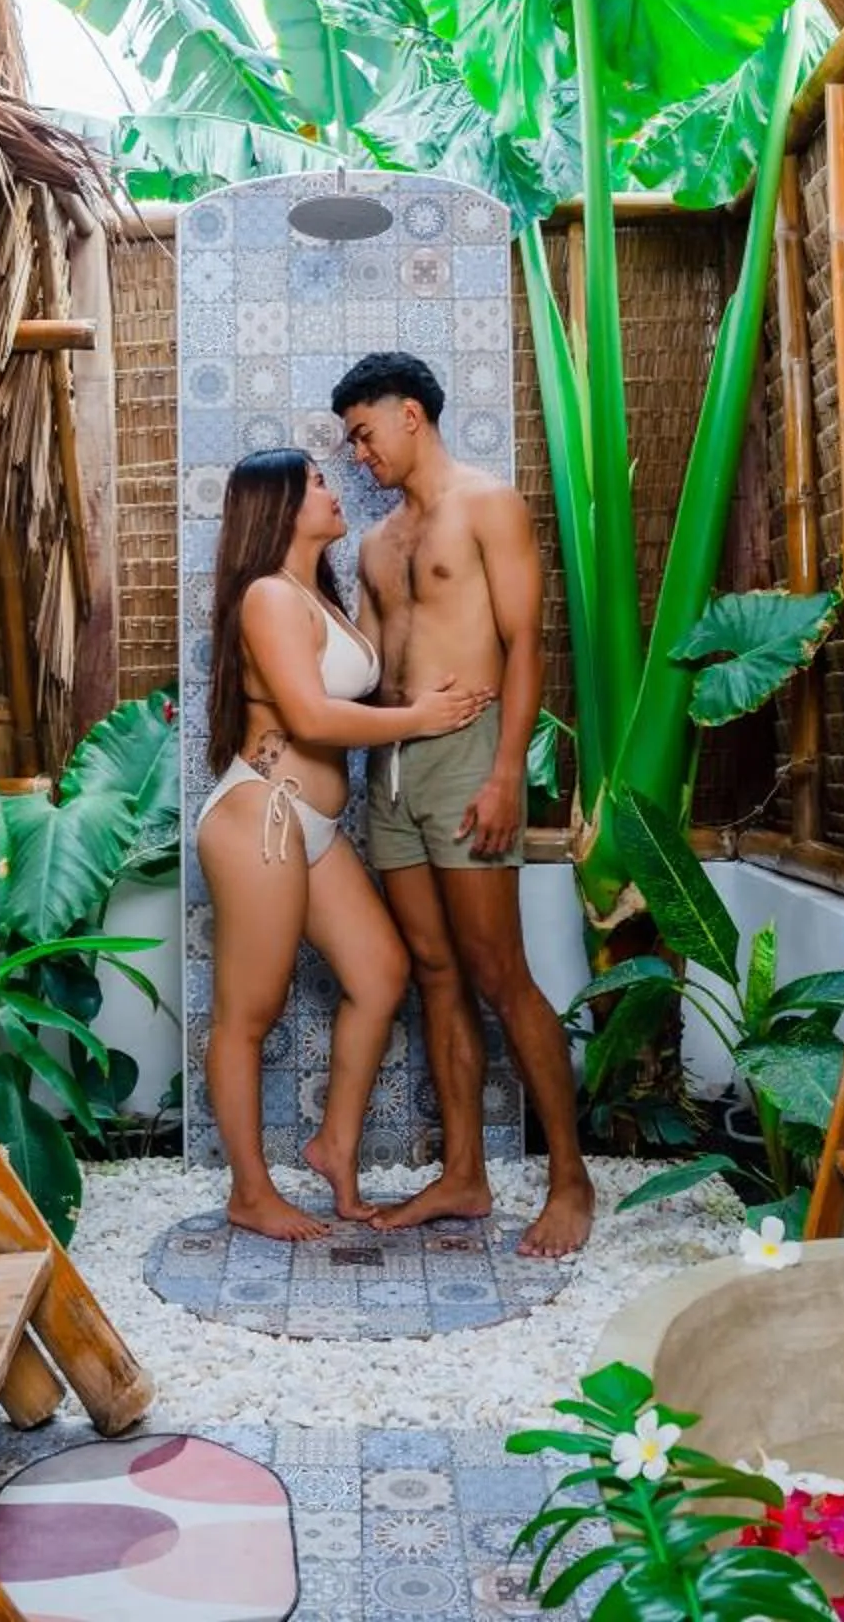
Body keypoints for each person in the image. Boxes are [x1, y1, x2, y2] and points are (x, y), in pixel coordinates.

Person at [332, 352, 595, 1260]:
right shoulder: (374, 546)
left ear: (411, 414)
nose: (359, 456)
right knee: (436, 974)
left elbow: (525, 644)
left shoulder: (489, 505)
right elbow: (360, 673)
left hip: (468, 760)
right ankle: (465, 1175)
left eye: (364, 435)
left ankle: (570, 1178)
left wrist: (507, 772)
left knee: (499, 971)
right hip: (391, 773)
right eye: (350, 445)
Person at [197, 447, 492, 1241]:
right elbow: (313, 719)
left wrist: (424, 679)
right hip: (262, 812)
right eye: (318, 482)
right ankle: (249, 1191)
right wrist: (419, 720)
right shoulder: (265, 596)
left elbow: (369, 680)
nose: (334, 489)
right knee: (247, 1012)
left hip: (313, 826)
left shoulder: (317, 595)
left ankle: (333, 1144)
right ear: (280, 505)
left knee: (382, 972)